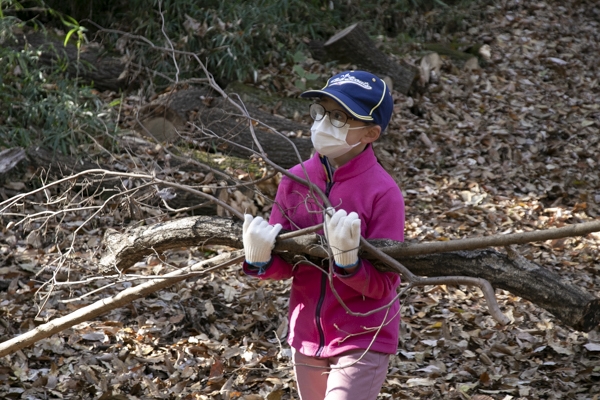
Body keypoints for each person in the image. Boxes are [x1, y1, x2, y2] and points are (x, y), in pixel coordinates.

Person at [242, 70, 405, 400]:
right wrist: (259, 259)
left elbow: (385, 285)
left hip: (363, 336)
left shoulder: (384, 193)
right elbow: (289, 265)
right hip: (306, 335)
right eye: (321, 112)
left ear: (371, 133)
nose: (323, 124)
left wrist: (349, 263)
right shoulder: (296, 179)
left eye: (339, 117)